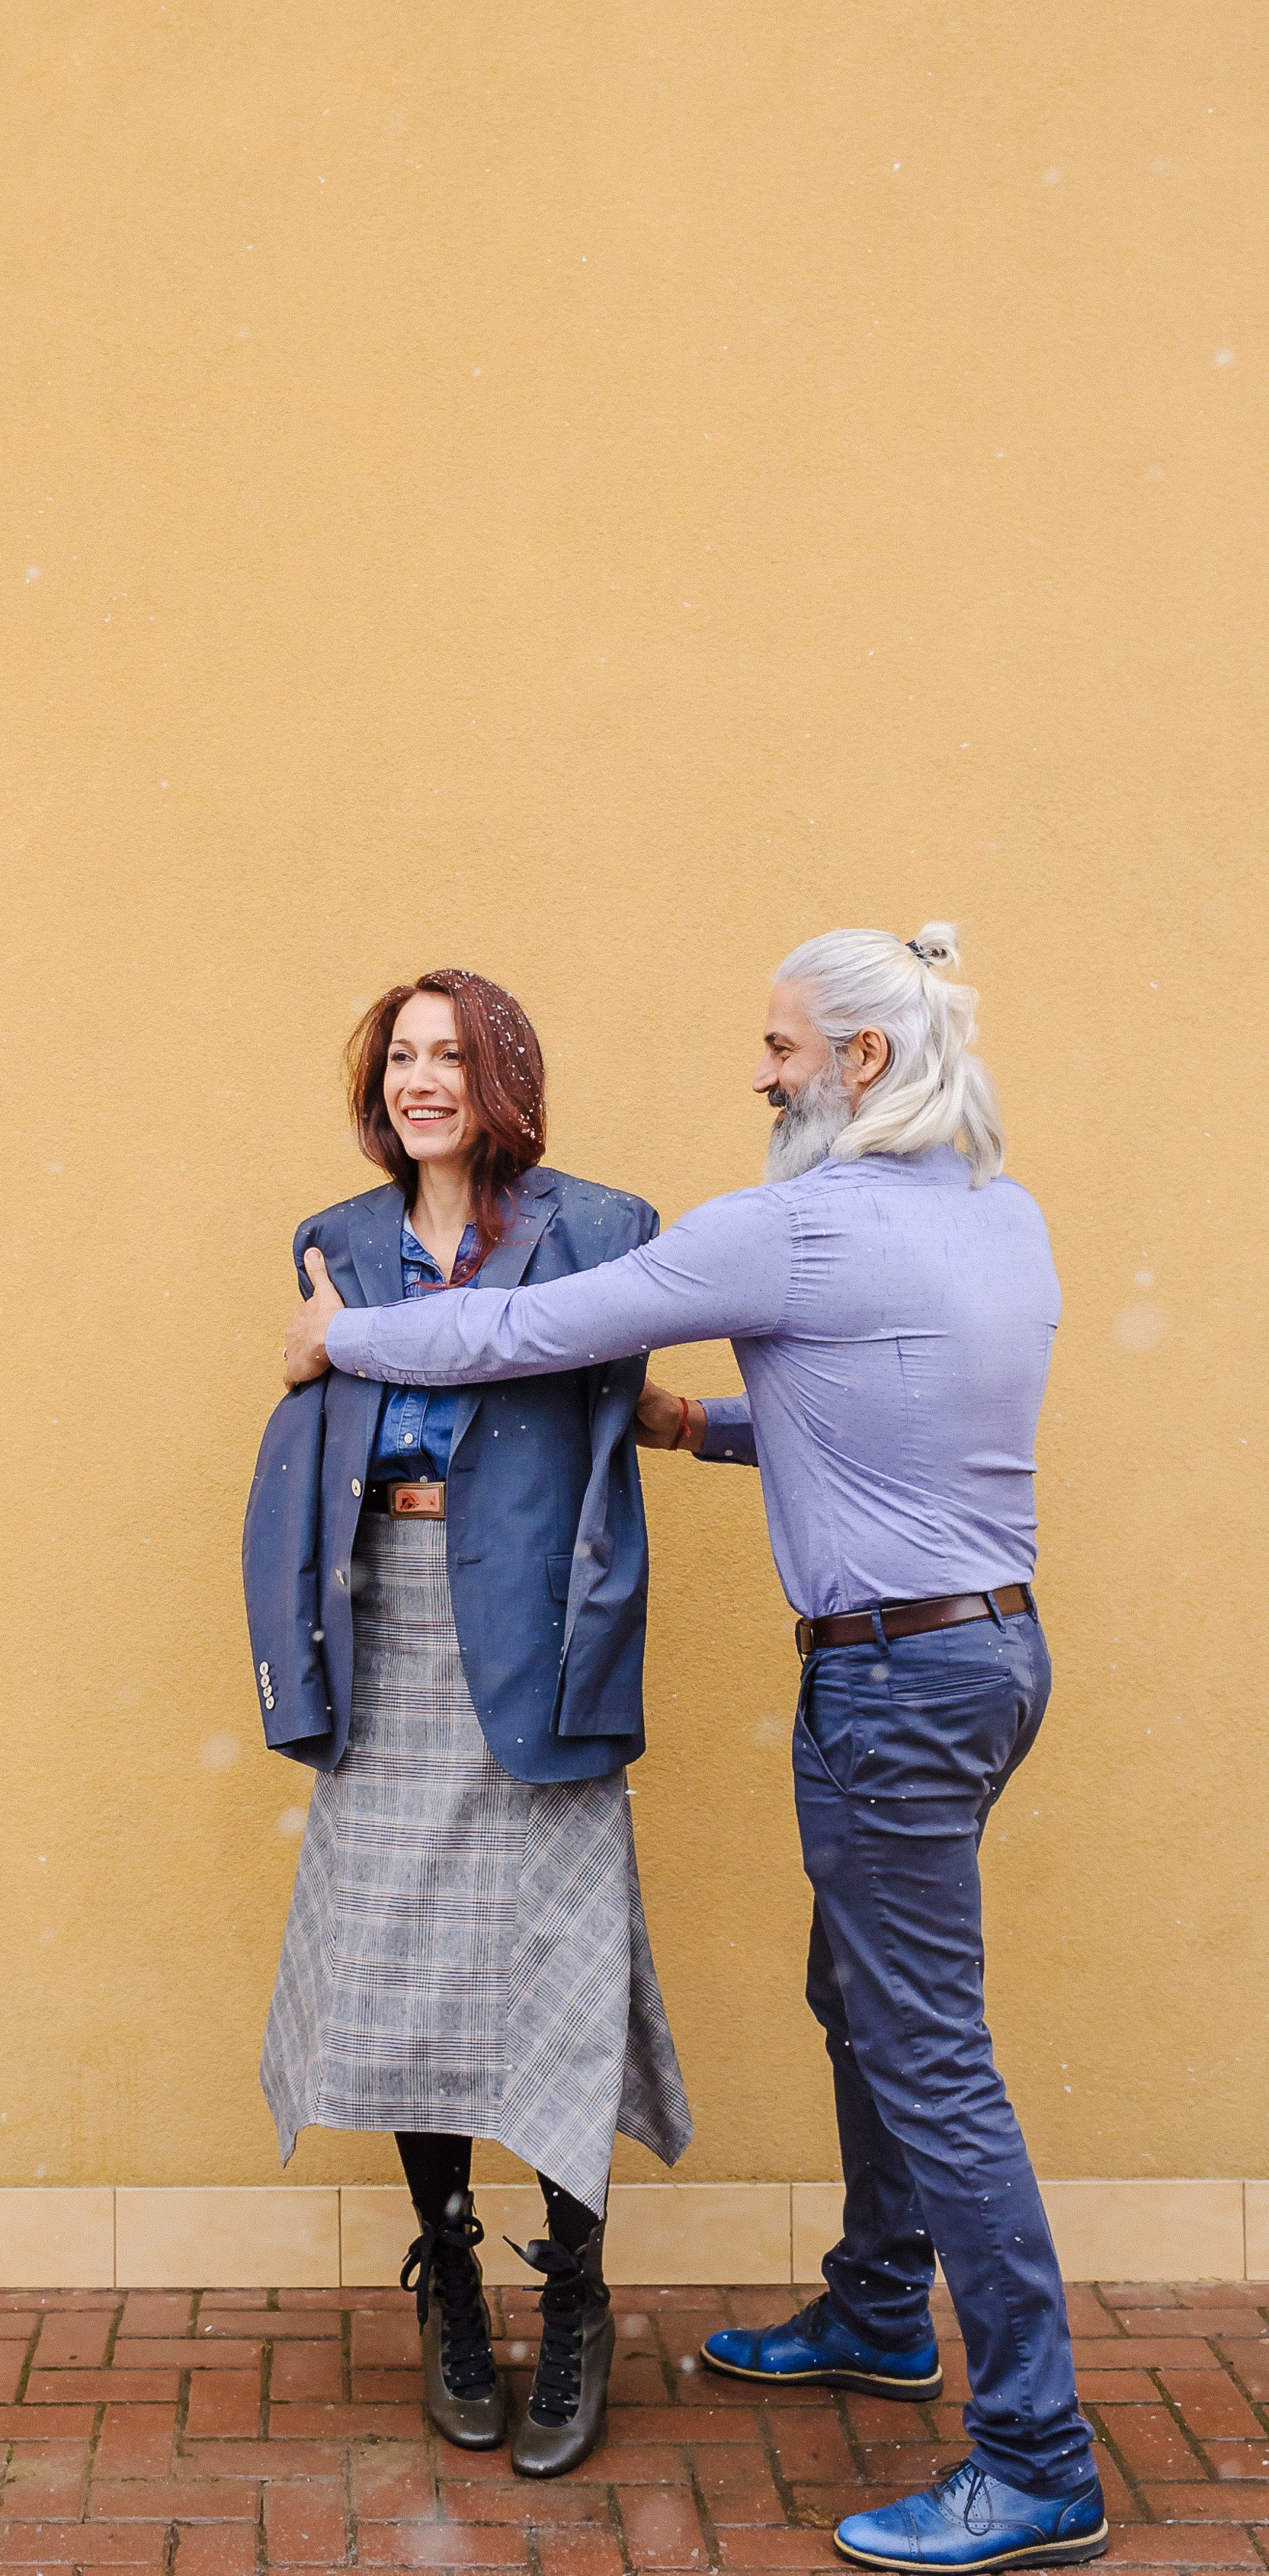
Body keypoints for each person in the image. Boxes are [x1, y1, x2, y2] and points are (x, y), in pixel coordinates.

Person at [281, 926, 1108, 2575]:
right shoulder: (997, 1216)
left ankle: (1037, 2458)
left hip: (888, 1684)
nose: (761, 1070)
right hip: (991, 1651)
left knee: (932, 2055)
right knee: (860, 2000)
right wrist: (698, 1423)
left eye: (783, 1046)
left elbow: (525, 1332)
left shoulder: (792, 1228)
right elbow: (886, 1417)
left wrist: (342, 1338)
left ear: (860, 1063)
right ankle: (879, 2306)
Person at [243, 968, 691, 2478]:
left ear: (506, 1069)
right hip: (392, 1623)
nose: (421, 1081)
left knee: (561, 1972)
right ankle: (452, 2282)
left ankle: (575, 2291)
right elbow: (313, 1455)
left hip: (537, 1637)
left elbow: (549, 1367)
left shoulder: (607, 1227)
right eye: (400, 1058)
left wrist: (343, 1344)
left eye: (449, 1053)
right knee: (401, 1969)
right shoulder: (340, 1238)